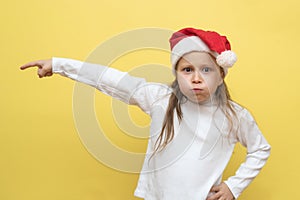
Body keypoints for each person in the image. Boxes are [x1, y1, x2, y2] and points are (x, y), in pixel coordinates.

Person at [20, 27, 271, 200]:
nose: (196, 78)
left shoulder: (233, 115)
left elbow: (261, 148)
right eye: (187, 70)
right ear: (176, 73)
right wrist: (59, 64)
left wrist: (233, 186)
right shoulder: (160, 98)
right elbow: (111, 80)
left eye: (206, 70)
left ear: (221, 74)